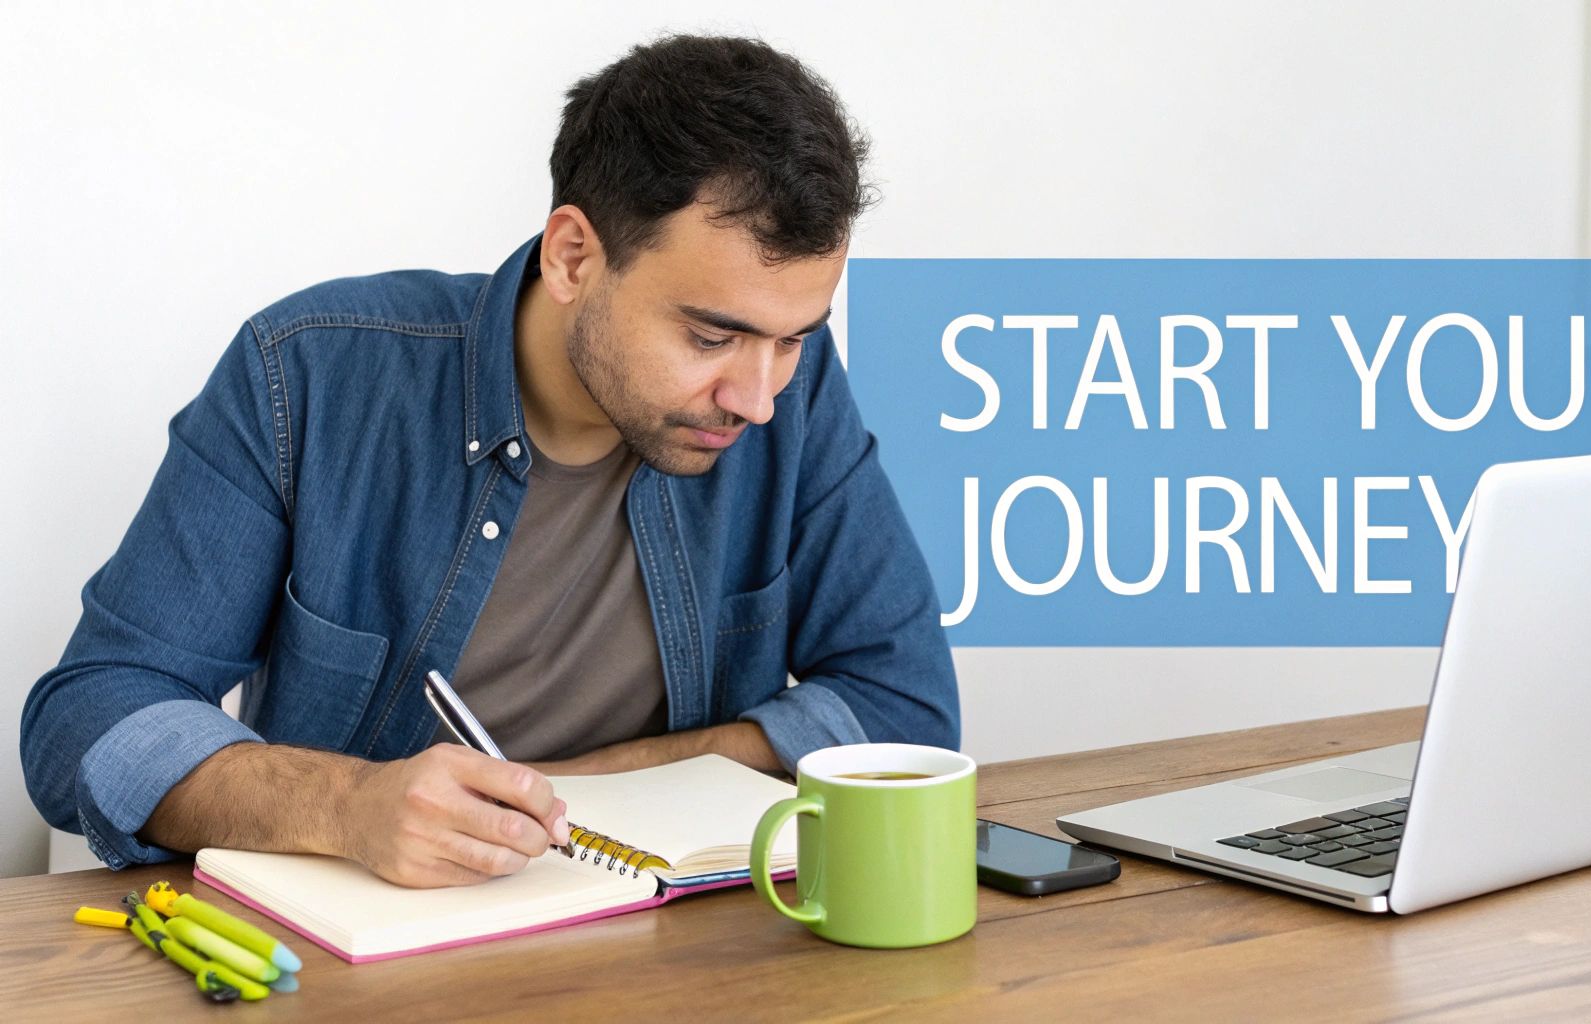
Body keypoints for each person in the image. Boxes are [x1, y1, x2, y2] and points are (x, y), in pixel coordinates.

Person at [20, 35, 959, 888]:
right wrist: (348, 806)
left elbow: (905, 711)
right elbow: (88, 718)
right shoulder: (306, 373)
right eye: (711, 337)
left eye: (794, 337)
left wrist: (568, 789)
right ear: (574, 258)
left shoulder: (792, 389)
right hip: (368, 949)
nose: (757, 398)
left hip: (673, 939)